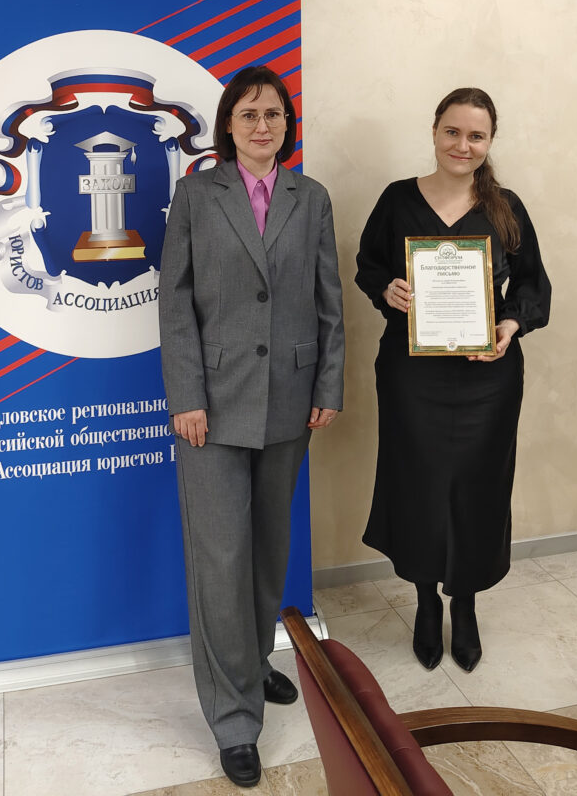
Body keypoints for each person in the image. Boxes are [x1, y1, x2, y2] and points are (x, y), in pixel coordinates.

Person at [159, 65, 344, 787]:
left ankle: (251, 661)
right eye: (247, 114)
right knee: (221, 560)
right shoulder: (195, 195)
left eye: (272, 114)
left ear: (286, 124)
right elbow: (176, 304)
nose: (261, 125)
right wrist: (186, 395)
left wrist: (327, 385)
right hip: (211, 405)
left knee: (268, 549)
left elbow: (328, 300)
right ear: (228, 126)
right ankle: (234, 717)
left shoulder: (311, 197)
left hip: (290, 401)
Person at [355, 87, 550, 674]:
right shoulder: (397, 199)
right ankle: (424, 600)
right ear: (435, 131)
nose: (463, 145)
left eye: (476, 136)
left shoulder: (505, 207)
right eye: (453, 132)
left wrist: (509, 325)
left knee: (477, 488)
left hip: (487, 379)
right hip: (411, 374)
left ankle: (463, 603)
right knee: (417, 485)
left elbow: (532, 285)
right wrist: (386, 288)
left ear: (489, 142)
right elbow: (368, 265)